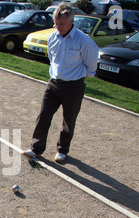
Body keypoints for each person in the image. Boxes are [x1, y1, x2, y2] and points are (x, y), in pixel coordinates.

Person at [24, 3, 98, 163]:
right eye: (56, 23)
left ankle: (62, 150)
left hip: (74, 86)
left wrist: (79, 77)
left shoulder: (83, 41)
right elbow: (52, 59)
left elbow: (91, 64)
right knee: (43, 115)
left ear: (71, 21)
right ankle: (36, 148)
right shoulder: (52, 37)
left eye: (62, 24)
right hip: (53, 83)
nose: (58, 27)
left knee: (69, 120)